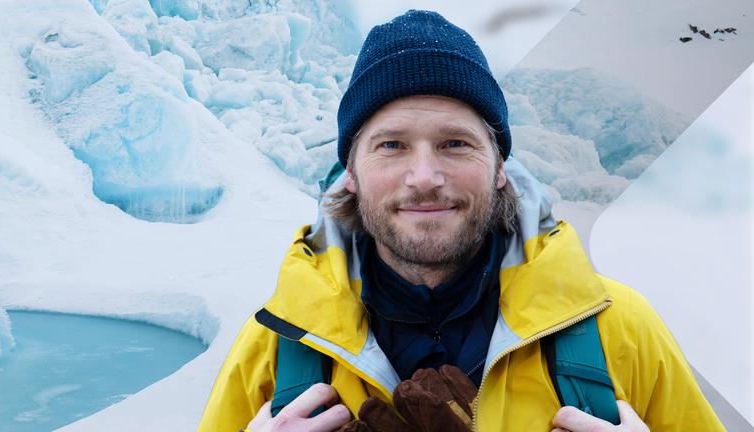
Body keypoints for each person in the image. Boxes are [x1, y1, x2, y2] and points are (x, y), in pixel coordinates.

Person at [198, 10, 723, 432]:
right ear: (350, 175)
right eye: (391, 145)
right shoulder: (276, 345)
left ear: (499, 169)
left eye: (455, 143)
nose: (424, 177)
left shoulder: (620, 329)